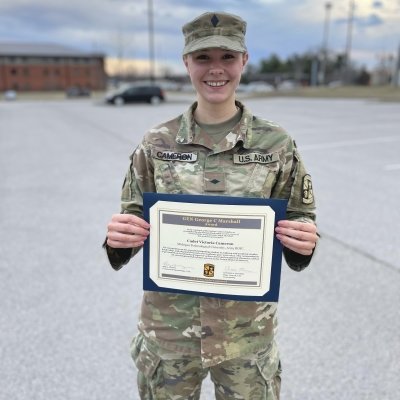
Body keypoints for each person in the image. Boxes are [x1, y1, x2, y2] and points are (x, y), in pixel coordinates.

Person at [104, 11, 318, 400]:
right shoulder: (156, 143)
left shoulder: (276, 144)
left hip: (245, 336)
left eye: (227, 57)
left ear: (244, 61)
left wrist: (304, 241)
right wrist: (121, 237)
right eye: (203, 58)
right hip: (170, 333)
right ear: (186, 63)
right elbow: (132, 216)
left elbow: (301, 216)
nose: (215, 69)